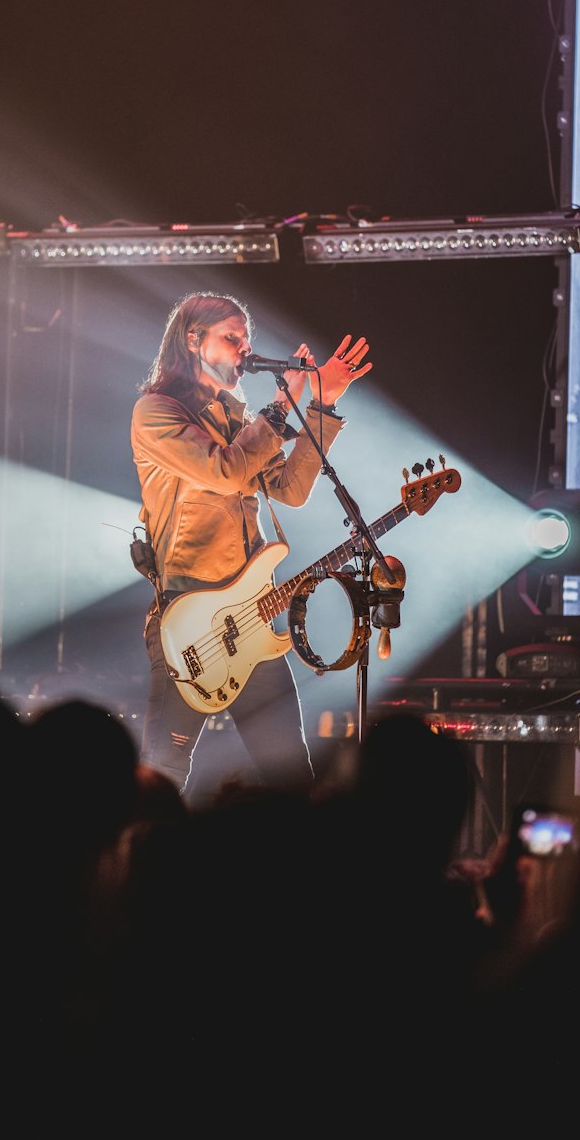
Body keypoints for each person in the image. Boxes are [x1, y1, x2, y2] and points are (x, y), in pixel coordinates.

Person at [130, 289, 372, 799]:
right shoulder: (156, 413)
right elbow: (225, 472)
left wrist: (323, 404)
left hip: (250, 619)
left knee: (290, 776)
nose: (244, 348)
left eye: (247, 338)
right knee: (163, 776)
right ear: (194, 340)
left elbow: (290, 489)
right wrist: (284, 402)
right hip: (188, 618)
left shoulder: (238, 420)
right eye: (232, 337)